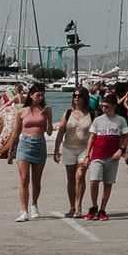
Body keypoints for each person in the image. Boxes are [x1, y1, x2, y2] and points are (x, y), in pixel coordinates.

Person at [6, 83, 52, 221]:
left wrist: (48, 117)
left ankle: (34, 205)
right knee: (24, 178)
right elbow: (15, 133)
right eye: (38, 95)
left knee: (36, 180)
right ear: (31, 95)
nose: (40, 97)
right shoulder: (22, 111)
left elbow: (49, 132)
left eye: (42, 95)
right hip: (25, 144)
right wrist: (10, 150)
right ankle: (24, 210)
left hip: (39, 144)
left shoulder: (45, 110)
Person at [83, 95, 128, 220]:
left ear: (114, 106)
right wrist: (87, 155)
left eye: (107, 107)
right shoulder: (98, 120)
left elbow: (126, 136)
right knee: (94, 181)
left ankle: (102, 209)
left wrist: (121, 150)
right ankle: (93, 206)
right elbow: (92, 137)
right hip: (97, 154)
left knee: (108, 183)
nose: (104, 109)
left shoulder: (121, 120)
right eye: (102, 106)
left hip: (112, 157)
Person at [52, 87, 94, 217]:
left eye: (79, 96)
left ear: (85, 98)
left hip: (84, 149)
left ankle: (79, 206)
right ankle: (71, 206)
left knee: (80, 176)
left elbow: (95, 133)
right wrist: (56, 150)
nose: (76, 98)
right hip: (69, 148)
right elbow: (61, 132)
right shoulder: (68, 113)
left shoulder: (92, 113)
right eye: (74, 95)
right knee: (70, 178)